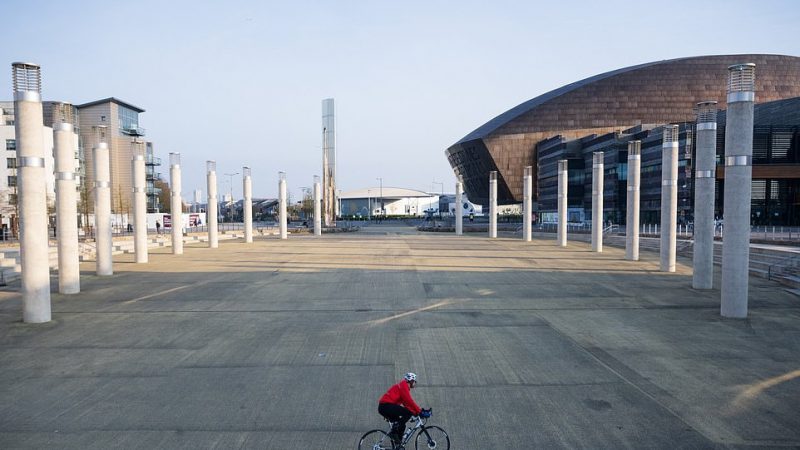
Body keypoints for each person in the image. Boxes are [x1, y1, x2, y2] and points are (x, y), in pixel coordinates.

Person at [378, 372, 428, 444]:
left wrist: (416, 412)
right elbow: (409, 401)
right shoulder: (403, 386)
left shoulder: (403, 386)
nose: (415, 383)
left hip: (386, 407)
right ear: (411, 380)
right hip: (386, 406)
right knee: (408, 413)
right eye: (414, 381)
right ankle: (393, 432)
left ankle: (398, 444)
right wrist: (419, 411)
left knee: (402, 426)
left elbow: (406, 404)